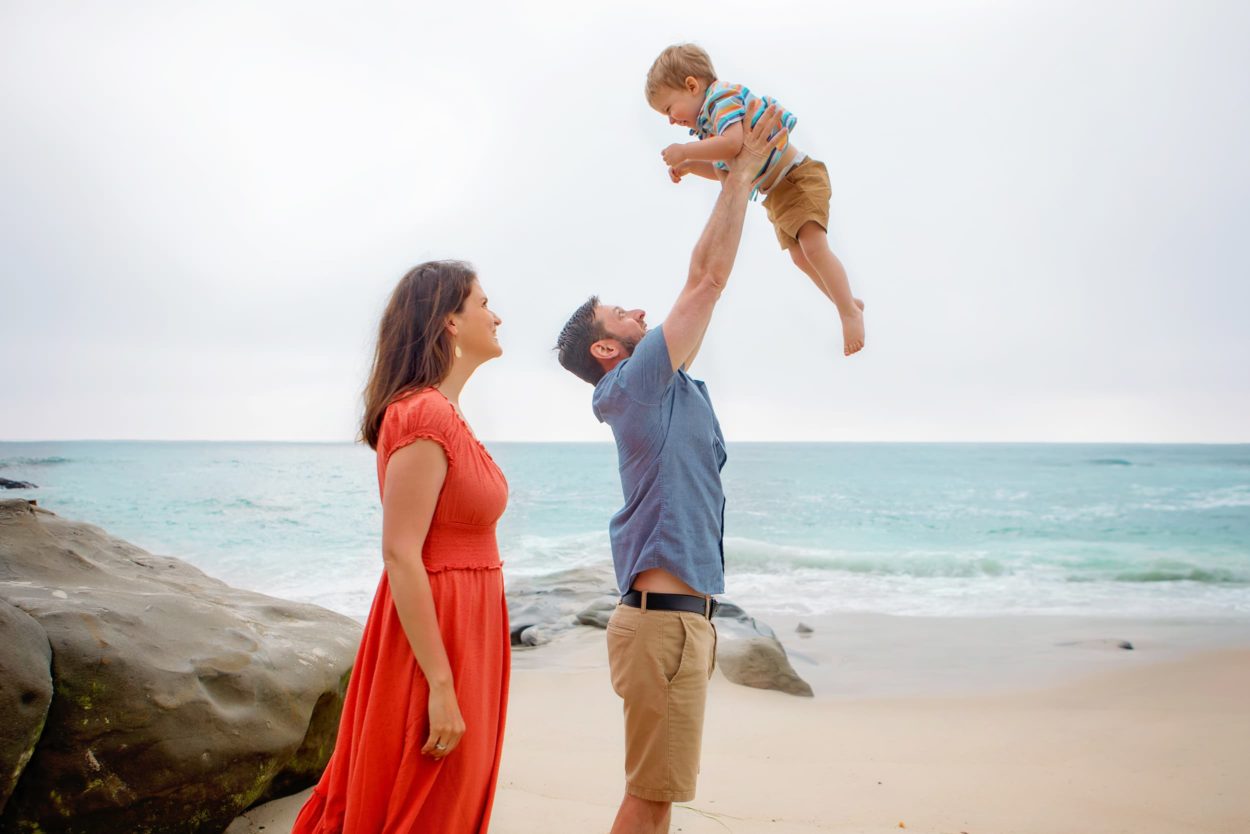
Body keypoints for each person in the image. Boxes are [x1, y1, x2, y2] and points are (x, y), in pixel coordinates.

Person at [554, 100, 785, 834]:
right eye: (619, 313)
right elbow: (706, 280)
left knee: (658, 796)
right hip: (663, 629)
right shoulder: (632, 387)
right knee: (650, 796)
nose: (637, 312)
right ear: (605, 351)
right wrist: (738, 176)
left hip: (684, 626)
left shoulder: (673, 390)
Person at [292, 261, 509, 834]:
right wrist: (440, 684)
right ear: (450, 322)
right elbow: (400, 553)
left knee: (452, 792)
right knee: (423, 797)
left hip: (470, 628)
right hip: (437, 634)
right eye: (483, 303)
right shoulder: (422, 414)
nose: (497, 315)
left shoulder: (445, 413)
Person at [647, 42, 866, 357]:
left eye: (669, 109)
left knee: (814, 247)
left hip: (797, 178)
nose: (670, 120)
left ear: (692, 86)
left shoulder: (720, 99)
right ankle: (845, 301)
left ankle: (848, 312)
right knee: (801, 257)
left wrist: (686, 151)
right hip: (776, 194)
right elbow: (732, 169)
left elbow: (733, 145)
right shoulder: (709, 128)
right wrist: (693, 166)